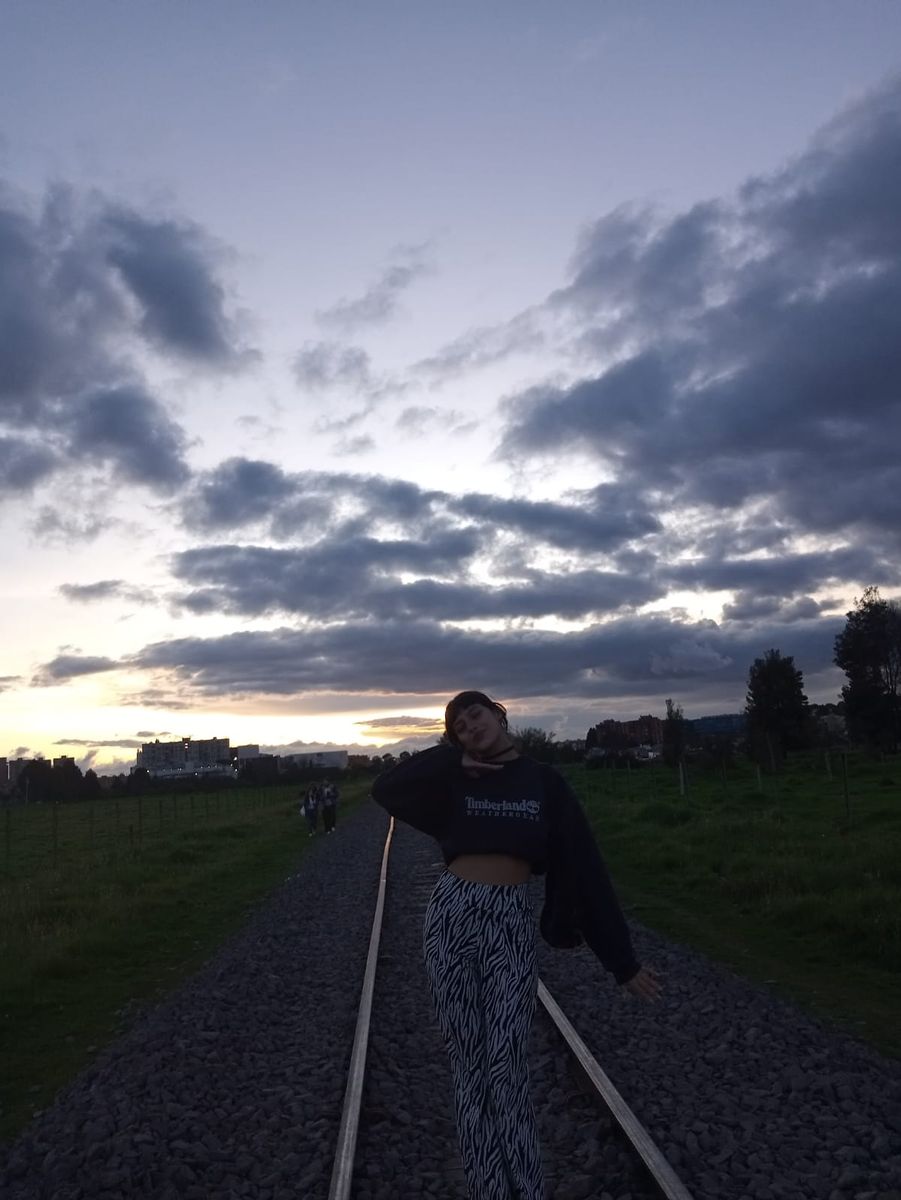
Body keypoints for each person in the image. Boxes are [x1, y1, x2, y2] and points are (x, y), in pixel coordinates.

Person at [372, 690, 660, 1200]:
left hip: (508, 921)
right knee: (470, 1069)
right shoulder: (455, 779)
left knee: (507, 1067)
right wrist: (451, 760)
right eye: (460, 728)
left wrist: (621, 961)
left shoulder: (544, 782)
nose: (471, 727)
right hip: (452, 916)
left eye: (476, 715)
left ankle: (526, 1190)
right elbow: (386, 788)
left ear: (498, 715)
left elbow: (585, 868)